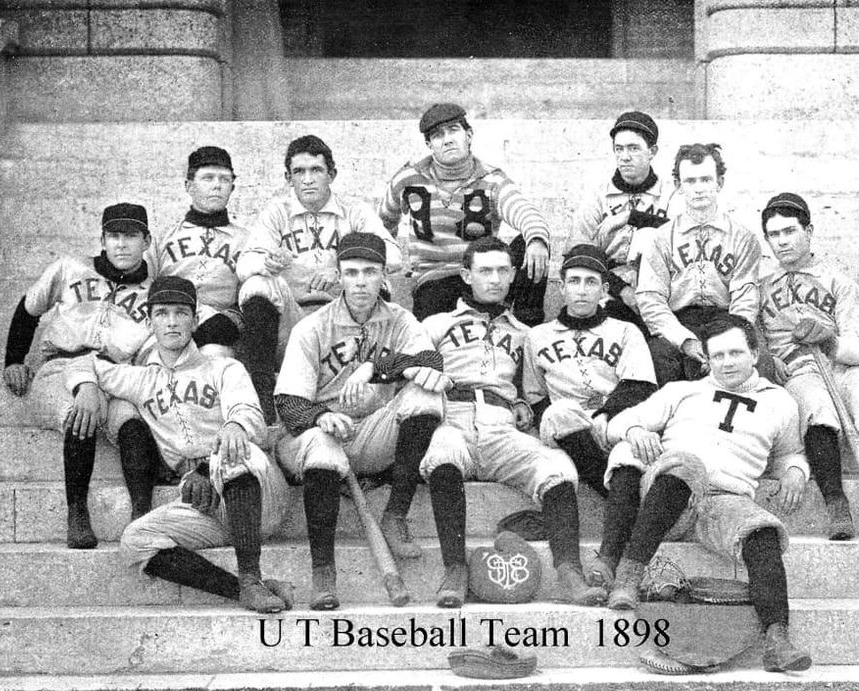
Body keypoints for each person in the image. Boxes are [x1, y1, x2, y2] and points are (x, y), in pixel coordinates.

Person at [601, 313, 811, 673]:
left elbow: (789, 452)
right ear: (708, 359)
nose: (727, 363)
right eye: (718, 356)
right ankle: (628, 578)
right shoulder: (684, 390)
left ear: (755, 353)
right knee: (686, 464)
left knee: (762, 530)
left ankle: (777, 638)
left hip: (726, 502)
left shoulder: (780, 402)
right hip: (668, 495)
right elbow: (618, 422)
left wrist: (796, 470)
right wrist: (636, 431)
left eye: (735, 353)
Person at [70, 275, 293, 613]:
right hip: (207, 507)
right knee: (134, 540)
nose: (171, 321)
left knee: (233, 451)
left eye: (180, 312)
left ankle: (251, 576)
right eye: (161, 313)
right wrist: (86, 386)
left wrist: (229, 431)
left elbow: (249, 415)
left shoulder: (223, 367)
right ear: (150, 321)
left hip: (259, 495)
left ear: (195, 319)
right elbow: (83, 362)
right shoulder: (141, 379)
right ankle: (241, 590)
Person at [411, 237, 607, 606]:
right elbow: (414, 376)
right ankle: (455, 569)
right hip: (453, 416)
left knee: (557, 465)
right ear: (466, 275)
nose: (495, 279)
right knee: (443, 453)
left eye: (503, 270)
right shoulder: (435, 324)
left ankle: (569, 572)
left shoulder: (525, 333)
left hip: (501, 425)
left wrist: (520, 403)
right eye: (485, 270)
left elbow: (533, 390)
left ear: (514, 274)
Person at [272, 232, 458, 609]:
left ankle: (395, 512)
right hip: (312, 436)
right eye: (351, 272)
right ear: (338, 276)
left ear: (384, 277)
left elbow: (430, 363)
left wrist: (373, 369)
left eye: (370, 272)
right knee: (322, 447)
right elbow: (288, 404)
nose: (360, 281)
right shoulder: (312, 326)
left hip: (371, 434)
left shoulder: (400, 320)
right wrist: (322, 416)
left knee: (428, 392)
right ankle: (323, 572)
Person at [758, 192, 859, 539]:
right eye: (774, 234)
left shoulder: (837, 281)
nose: (783, 241)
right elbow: (749, 338)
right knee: (817, 410)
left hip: (844, 366)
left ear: (809, 230)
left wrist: (830, 342)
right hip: (800, 370)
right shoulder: (762, 288)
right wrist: (766, 357)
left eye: (790, 231)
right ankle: (836, 506)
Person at [2, 203, 156, 548]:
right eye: (113, 236)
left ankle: (143, 517)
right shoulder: (70, 267)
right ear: (102, 239)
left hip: (112, 376)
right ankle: (77, 513)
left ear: (146, 240)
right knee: (79, 416)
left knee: (133, 427)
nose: (121, 244)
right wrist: (14, 359)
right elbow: (29, 308)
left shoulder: (153, 291)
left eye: (130, 236)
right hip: (59, 367)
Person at [237, 135, 401, 422]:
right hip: (293, 321)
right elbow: (244, 265)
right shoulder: (278, 214)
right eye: (299, 172)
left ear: (332, 174)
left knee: (377, 283)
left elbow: (394, 256)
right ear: (288, 178)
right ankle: (262, 393)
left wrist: (343, 265)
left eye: (316, 170)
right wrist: (267, 261)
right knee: (256, 283)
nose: (308, 179)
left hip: (343, 325)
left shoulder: (354, 212)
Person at [379, 103, 552, 326]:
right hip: (434, 279)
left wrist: (537, 240)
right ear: (429, 144)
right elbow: (382, 224)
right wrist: (386, 261)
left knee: (531, 242)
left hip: (482, 273)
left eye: (453, 130)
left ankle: (529, 325)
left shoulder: (492, 179)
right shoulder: (408, 179)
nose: (447, 139)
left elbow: (525, 211)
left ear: (468, 135)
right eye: (438, 135)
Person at [524, 243, 657, 498]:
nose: (582, 291)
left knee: (631, 450)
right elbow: (536, 397)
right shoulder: (537, 336)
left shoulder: (625, 331)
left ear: (604, 290)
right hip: (566, 429)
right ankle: (610, 493)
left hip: (612, 420)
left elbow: (640, 385)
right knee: (559, 412)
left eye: (591, 282)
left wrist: (607, 415)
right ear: (562, 288)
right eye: (574, 281)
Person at [635, 143, 762, 386]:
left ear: (720, 183)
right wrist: (684, 340)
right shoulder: (660, 238)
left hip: (727, 319)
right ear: (678, 186)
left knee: (759, 360)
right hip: (678, 321)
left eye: (706, 179)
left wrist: (728, 340)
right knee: (655, 359)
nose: (699, 189)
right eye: (690, 181)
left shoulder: (743, 237)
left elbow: (746, 298)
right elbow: (650, 299)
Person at [569, 111, 672, 332]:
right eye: (619, 149)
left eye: (634, 148)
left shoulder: (670, 194)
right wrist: (623, 290)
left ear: (652, 151)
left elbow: (682, 234)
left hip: (659, 282)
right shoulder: (597, 195)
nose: (625, 156)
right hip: (609, 284)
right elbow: (578, 254)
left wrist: (631, 217)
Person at [147, 146, 248, 358]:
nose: (217, 186)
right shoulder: (164, 237)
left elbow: (249, 298)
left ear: (232, 187)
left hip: (219, 331)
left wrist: (232, 319)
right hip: (169, 324)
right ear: (189, 185)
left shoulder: (246, 240)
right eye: (208, 178)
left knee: (214, 354)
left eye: (224, 179)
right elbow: (144, 288)